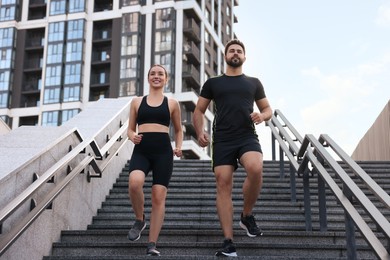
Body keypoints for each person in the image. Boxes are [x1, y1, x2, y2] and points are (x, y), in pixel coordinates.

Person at [193, 39, 273, 257]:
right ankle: (228, 241)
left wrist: (262, 115)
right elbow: (199, 110)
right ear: (226, 56)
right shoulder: (213, 83)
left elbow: (267, 109)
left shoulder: (254, 82)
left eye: (239, 51)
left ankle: (246, 216)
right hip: (222, 139)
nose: (235, 53)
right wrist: (200, 132)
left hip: (247, 135)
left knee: (256, 168)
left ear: (244, 57)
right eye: (231, 51)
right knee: (223, 184)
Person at [127, 64, 183, 256]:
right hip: (141, 150)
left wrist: (178, 146)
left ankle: (152, 243)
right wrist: (131, 136)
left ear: (166, 79)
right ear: (148, 78)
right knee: (135, 183)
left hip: (163, 153)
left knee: (158, 196)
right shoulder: (136, 102)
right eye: (153, 73)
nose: (156, 76)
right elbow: (130, 129)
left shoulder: (172, 103)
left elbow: (178, 129)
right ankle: (139, 219)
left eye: (160, 74)